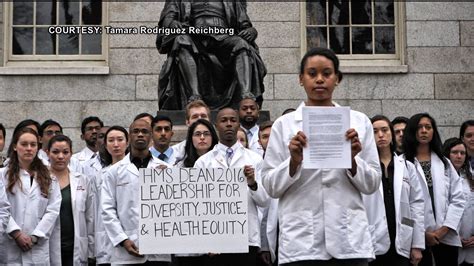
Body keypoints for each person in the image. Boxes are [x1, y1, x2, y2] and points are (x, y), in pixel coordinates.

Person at [261, 47, 381, 266]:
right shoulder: (284, 125)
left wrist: (352, 160)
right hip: (302, 244)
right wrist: (294, 161)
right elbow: (270, 186)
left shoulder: (359, 122)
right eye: (312, 73)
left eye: (327, 73)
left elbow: (372, 183)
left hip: (349, 243)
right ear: (300, 79)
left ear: (337, 78)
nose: (319, 80)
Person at [156, 0, 266, 110]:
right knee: (181, 40)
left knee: (241, 44)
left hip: (223, 37)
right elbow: (168, 17)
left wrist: (252, 31)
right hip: (193, 35)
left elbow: (244, 24)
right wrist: (172, 23)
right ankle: (195, 96)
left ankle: (246, 95)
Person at [194, 108, 270, 266]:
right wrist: (205, 240)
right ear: (216, 125)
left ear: (238, 124)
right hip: (215, 241)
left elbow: (264, 201)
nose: (228, 124)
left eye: (233, 120)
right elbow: (197, 206)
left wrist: (252, 183)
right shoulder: (203, 162)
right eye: (224, 120)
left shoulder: (254, 159)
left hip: (246, 239)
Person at [102, 119, 171, 265]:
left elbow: (175, 208)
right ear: (129, 136)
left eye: (144, 132)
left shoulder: (166, 169)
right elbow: (107, 210)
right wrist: (123, 240)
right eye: (136, 131)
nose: (140, 135)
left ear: (151, 136)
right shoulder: (114, 172)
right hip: (126, 250)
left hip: (158, 250)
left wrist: (170, 180)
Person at [403, 113, 466, 266]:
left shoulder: (445, 163)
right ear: (412, 131)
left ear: (433, 132)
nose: (424, 130)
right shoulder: (402, 163)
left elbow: (458, 199)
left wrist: (443, 230)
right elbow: (401, 209)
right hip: (415, 241)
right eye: (419, 127)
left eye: (428, 127)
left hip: (446, 237)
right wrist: (422, 235)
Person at [367, 115, 425, 266]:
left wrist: (417, 245)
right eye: (374, 131)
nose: (380, 135)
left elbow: (416, 205)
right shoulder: (364, 168)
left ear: (392, 135)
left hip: (402, 239)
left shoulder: (407, 166)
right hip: (372, 240)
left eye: (385, 130)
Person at [0, 127, 61, 265]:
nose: (29, 148)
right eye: (24, 144)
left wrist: (35, 236)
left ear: (38, 148)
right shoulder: (2, 175)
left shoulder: (49, 177)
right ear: (15, 146)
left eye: (33, 145)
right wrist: (16, 233)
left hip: (38, 245)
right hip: (10, 246)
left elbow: (53, 210)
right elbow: (1, 209)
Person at [47, 135, 94, 266]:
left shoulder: (82, 180)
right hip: (47, 246)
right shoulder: (39, 180)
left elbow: (89, 217)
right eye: (55, 152)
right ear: (47, 153)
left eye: (65, 152)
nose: (60, 156)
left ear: (71, 154)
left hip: (75, 246)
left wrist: (91, 250)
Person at [95, 126, 129, 265]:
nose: (116, 144)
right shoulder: (99, 175)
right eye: (111, 140)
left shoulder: (136, 170)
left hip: (129, 236)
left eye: (120, 140)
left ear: (127, 143)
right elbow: (96, 211)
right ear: (105, 145)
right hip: (105, 239)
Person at [442, 138, 474, 266]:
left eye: (462, 153)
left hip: (470, 244)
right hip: (448, 240)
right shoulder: (441, 176)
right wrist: (454, 237)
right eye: (455, 152)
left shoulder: (471, 177)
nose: (459, 156)